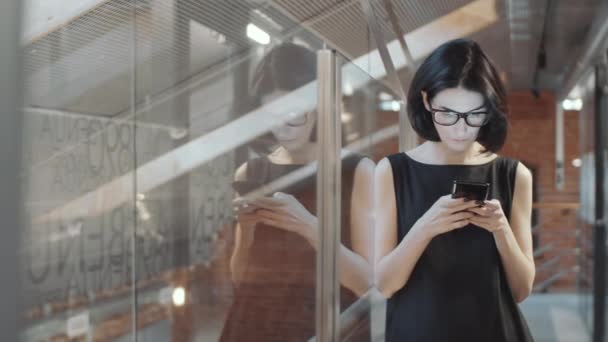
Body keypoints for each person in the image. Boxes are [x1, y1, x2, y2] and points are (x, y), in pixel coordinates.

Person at [374, 38, 535, 341]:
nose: (461, 129)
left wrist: (501, 230)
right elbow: (385, 284)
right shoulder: (393, 171)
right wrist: (425, 227)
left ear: (490, 109)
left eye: (475, 114)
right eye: (447, 114)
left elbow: (522, 290)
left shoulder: (513, 174)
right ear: (426, 101)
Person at [219, 42, 374, 342]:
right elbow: (241, 280)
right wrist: (248, 230)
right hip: (253, 326)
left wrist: (308, 226)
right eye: (271, 114)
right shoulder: (251, 173)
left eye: (294, 114)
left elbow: (368, 284)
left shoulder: (357, 171)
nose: (284, 129)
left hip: (323, 326)